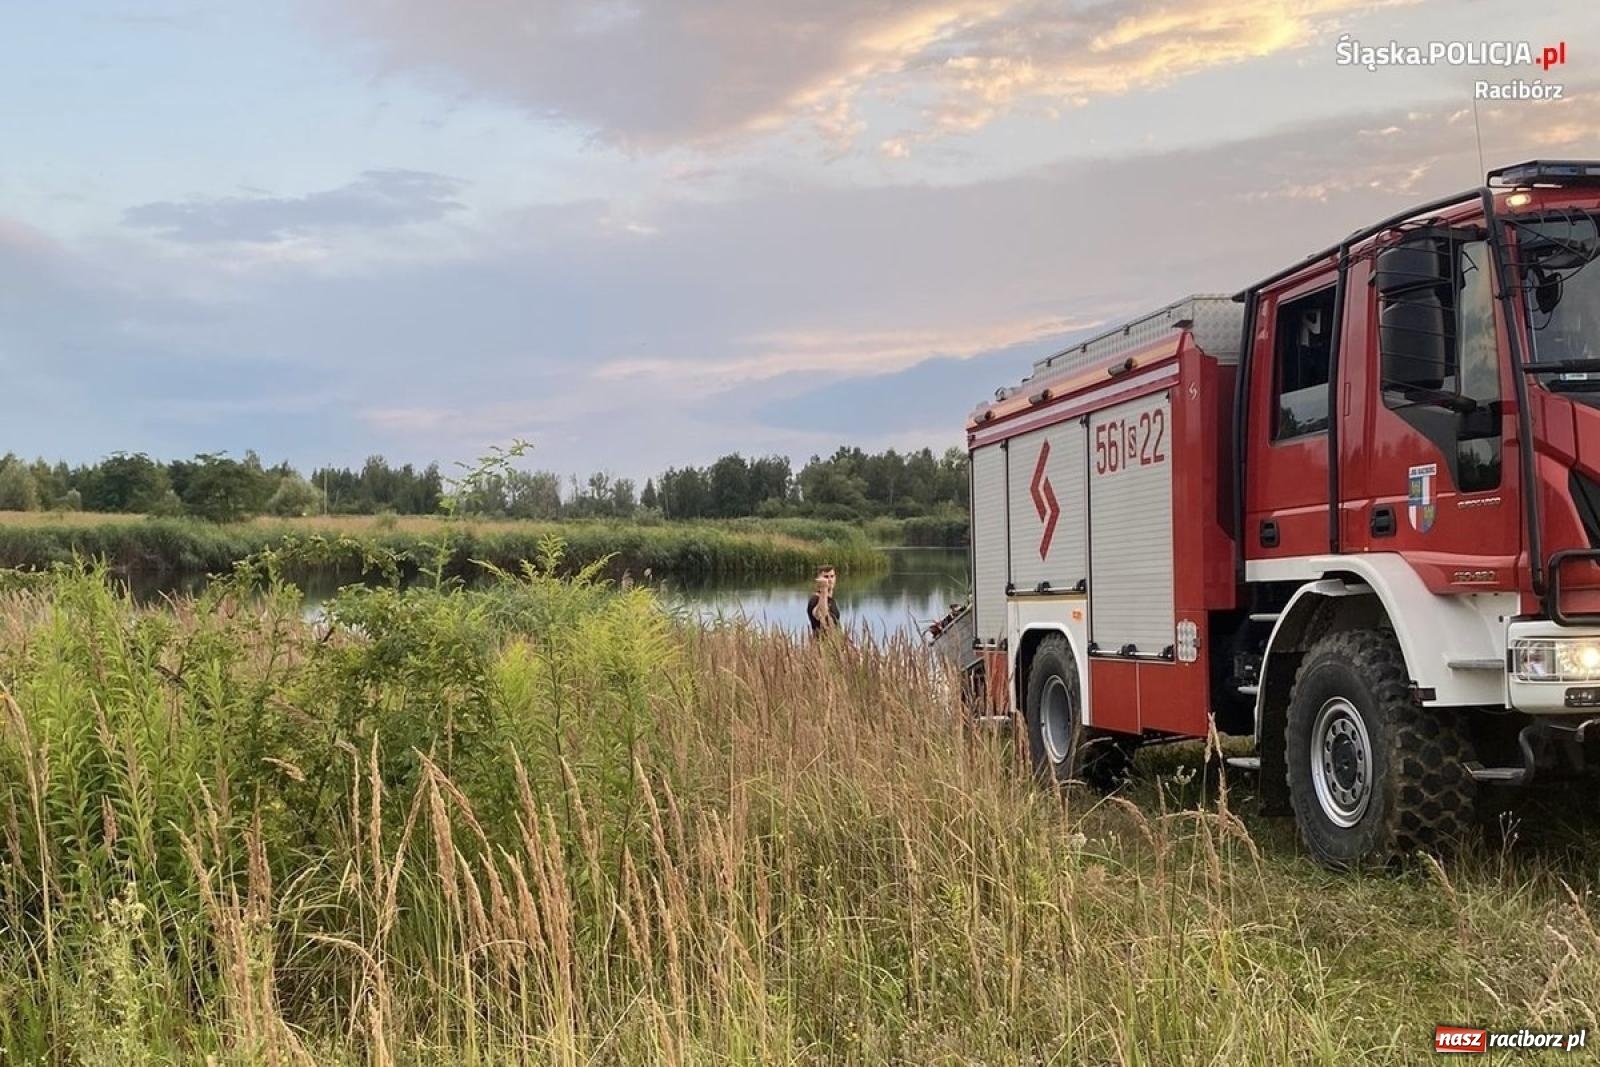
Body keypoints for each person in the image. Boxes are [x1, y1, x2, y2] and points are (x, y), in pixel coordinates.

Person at [807, 564, 841, 637]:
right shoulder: (815, 599)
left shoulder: (831, 599)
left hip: (834, 643)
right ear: (818, 579)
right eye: (826, 577)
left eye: (832, 576)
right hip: (821, 645)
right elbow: (821, 615)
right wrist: (824, 589)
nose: (829, 580)